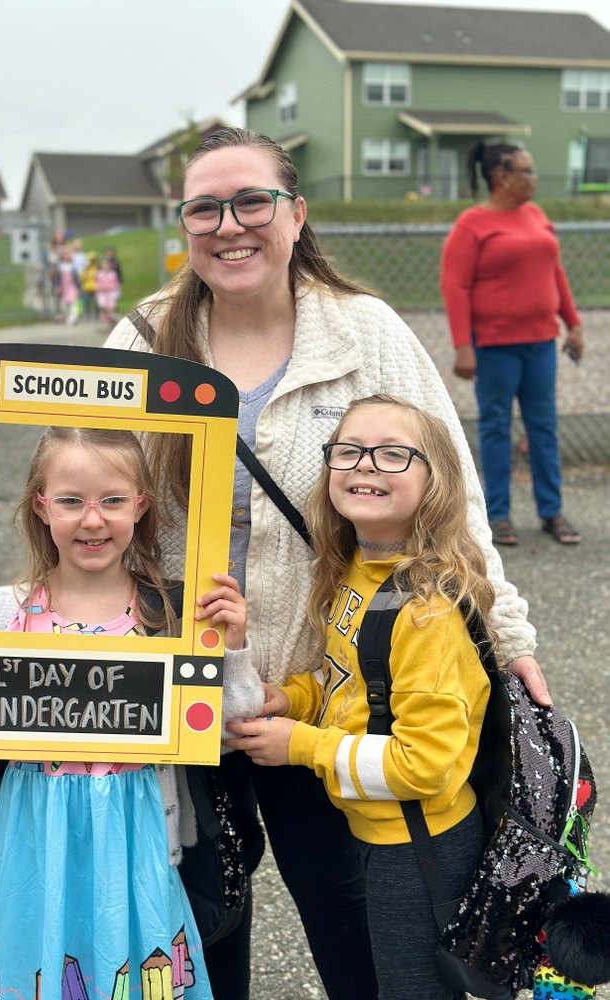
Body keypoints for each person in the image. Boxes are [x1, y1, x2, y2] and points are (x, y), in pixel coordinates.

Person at [103, 126, 550, 1000]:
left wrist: (506, 633)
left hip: (325, 687)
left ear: (295, 214)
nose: (229, 225)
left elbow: (453, 495)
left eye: (252, 201)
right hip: (178, 687)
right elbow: (83, 493)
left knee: (359, 932)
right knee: (194, 926)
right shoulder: (143, 339)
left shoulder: (363, 334)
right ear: (183, 223)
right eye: (205, 207)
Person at [0, 426, 265, 1000]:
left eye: (112, 500)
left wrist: (229, 649)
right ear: (41, 505)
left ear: (141, 504)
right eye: (71, 500)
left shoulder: (170, 614)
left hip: (139, 841)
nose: (93, 519)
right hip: (33, 843)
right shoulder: (7, 612)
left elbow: (234, 723)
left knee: (138, 979)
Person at [226, 394, 494, 1000]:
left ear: (437, 483)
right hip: (381, 834)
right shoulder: (360, 574)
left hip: (422, 848)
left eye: (393, 454)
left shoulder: (425, 612)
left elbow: (423, 764)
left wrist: (302, 745)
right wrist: (293, 700)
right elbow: (349, 683)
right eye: (348, 451)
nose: (366, 464)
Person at [440, 141, 583, 547]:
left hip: (540, 345)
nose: (534, 178)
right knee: (496, 429)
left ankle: (551, 511)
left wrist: (572, 323)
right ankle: (497, 516)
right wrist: (462, 345)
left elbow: (556, 273)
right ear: (502, 176)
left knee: (544, 427)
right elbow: (455, 286)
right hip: (495, 348)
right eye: (527, 171)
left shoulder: (536, 215)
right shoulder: (472, 225)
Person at [95, 256, 121, 326]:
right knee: (102, 304)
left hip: (110, 292)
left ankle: (110, 319)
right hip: (102, 292)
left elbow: (116, 283)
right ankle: (107, 316)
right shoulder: (99, 273)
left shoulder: (113, 273)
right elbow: (96, 283)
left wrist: (109, 287)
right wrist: (101, 287)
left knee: (110, 306)